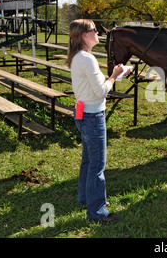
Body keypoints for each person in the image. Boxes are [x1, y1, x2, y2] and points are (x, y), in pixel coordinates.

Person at [66, 19, 129, 224]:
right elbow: (102, 91)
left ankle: (86, 200)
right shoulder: (87, 59)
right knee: (97, 166)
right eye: (95, 30)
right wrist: (113, 76)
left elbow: (97, 85)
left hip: (83, 114)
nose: (98, 33)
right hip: (93, 116)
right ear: (85, 35)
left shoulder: (79, 57)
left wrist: (116, 75)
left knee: (88, 161)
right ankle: (97, 212)